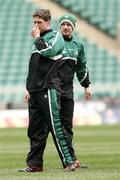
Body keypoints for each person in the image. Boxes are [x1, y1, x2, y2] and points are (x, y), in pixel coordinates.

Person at [19, 9, 76, 172]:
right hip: (35, 90)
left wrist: (37, 38)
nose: (36, 25)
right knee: (35, 130)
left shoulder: (55, 37)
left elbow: (49, 51)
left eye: (39, 22)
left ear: (48, 22)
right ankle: (35, 165)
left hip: (48, 88)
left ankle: (70, 161)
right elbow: (34, 67)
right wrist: (27, 87)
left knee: (56, 126)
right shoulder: (39, 40)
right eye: (34, 22)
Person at [58, 14, 92, 168]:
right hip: (51, 90)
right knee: (47, 128)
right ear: (59, 27)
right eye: (63, 24)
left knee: (67, 127)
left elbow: (81, 67)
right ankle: (36, 163)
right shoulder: (53, 42)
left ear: (73, 27)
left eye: (68, 24)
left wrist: (86, 86)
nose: (65, 27)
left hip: (67, 92)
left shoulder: (78, 45)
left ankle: (71, 159)